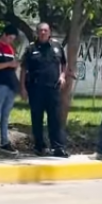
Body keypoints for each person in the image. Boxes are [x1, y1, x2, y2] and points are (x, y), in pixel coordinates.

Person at [20, 23, 69, 157]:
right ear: (37, 32)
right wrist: (23, 88)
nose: (43, 32)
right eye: (40, 30)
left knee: (55, 119)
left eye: (45, 30)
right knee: (37, 119)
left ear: (49, 32)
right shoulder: (31, 48)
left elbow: (63, 63)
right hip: (35, 89)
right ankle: (39, 147)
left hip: (53, 89)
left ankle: (58, 147)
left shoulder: (57, 47)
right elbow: (24, 69)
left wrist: (62, 76)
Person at [0, 24, 20, 156]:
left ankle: (4, 141)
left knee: (6, 115)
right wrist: (8, 64)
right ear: (4, 34)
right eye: (10, 38)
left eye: (13, 39)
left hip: (11, 84)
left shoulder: (11, 48)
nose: (11, 41)